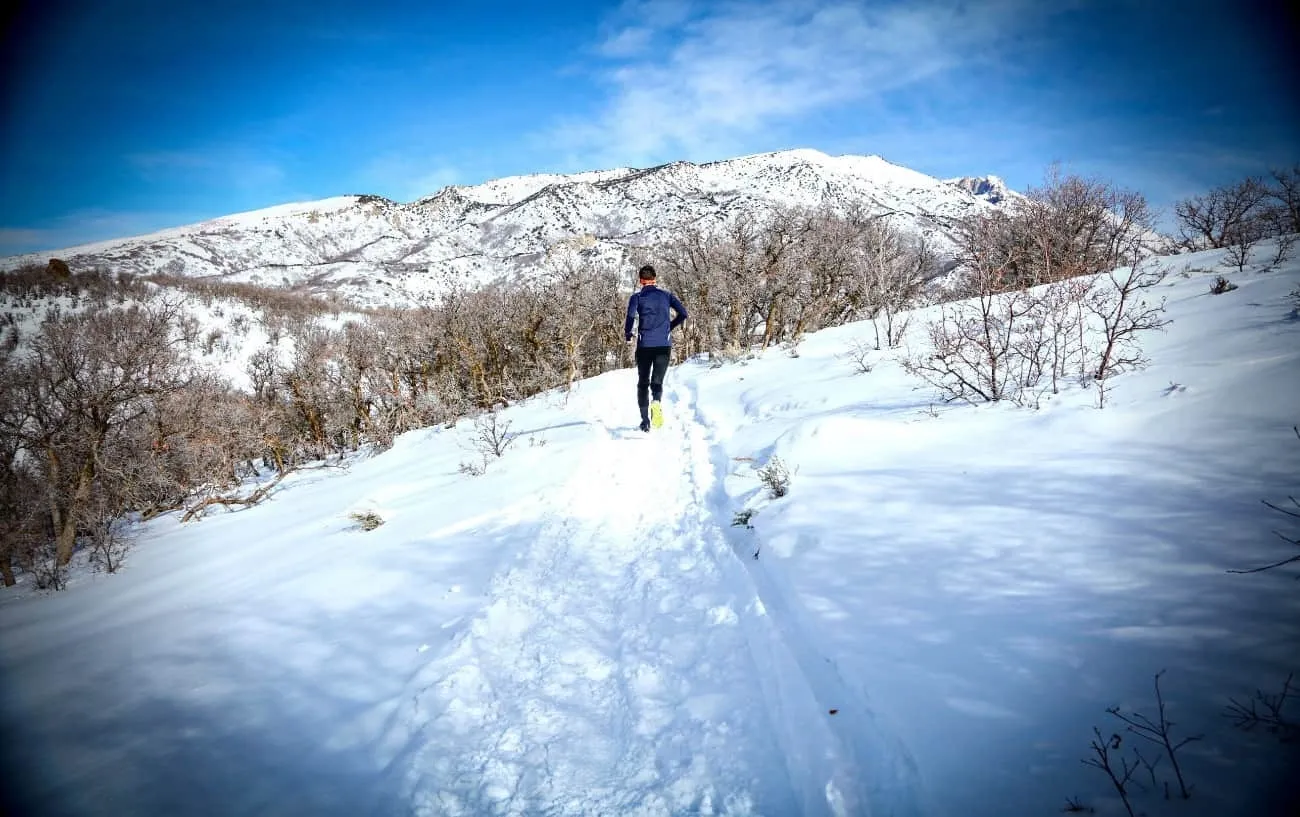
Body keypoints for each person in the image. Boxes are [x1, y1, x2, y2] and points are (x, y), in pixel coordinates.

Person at [624, 264, 688, 432]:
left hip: (645, 345)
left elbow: (630, 316)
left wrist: (628, 334)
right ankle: (656, 402)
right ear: (655, 279)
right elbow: (683, 314)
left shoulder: (636, 298)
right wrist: (669, 326)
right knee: (657, 381)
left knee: (643, 383)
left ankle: (645, 421)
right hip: (663, 345)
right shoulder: (667, 296)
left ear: (640, 281)